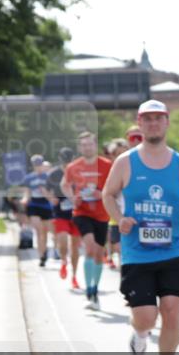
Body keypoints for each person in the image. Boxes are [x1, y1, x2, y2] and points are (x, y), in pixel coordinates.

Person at [102, 100, 179, 355]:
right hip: (137, 254)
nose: (152, 123)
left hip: (172, 250)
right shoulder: (125, 162)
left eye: (157, 118)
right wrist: (119, 217)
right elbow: (108, 195)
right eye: (147, 119)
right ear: (140, 123)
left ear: (167, 122)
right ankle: (140, 334)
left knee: (172, 310)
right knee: (146, 318)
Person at [61, 131, 113, 309]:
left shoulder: (107, 165)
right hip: (82, 211)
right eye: (83, 145)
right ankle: (87, 291)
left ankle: (94, 290)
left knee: (98, 253)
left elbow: (115, 185)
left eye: (90, 144)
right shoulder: (73, 166)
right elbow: (64, 185)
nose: (87, 147)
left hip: (102, 214)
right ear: (79, 147)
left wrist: (103, 193)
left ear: (95, 145)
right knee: (89, 247)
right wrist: (71, 197)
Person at [46, 147, 83, 290]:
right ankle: (63, 261)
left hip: (77, 213)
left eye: (69, 161)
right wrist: (51, 198)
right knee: (62, 242)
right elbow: (45, 189)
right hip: (60, 212)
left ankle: (74, 276)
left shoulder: (79, 171)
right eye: (64, 162)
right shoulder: (53, 174)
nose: (66, 165)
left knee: (75, 247)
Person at [20, 155, 55, 267]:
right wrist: (25, 199)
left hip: (46, 205)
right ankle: (40, 255)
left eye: (39, 164)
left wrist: (46, 194)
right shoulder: (29, 178)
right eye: (35, 164)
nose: (38, 166)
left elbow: (53, 193)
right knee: (39, 230)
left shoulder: (48, 177)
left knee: (44, 233)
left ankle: (44, 253)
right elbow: (27, 192)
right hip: (34, 205)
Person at [105, 138, 131, 270]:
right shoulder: (109, 170)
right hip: (115, 215)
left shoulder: (135, 168)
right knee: (117, 245)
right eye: (117, 154)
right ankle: (113, 259)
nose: (121, 156)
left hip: (132, 215)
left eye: (124, 153)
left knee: (125, 247)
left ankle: (125, 268)